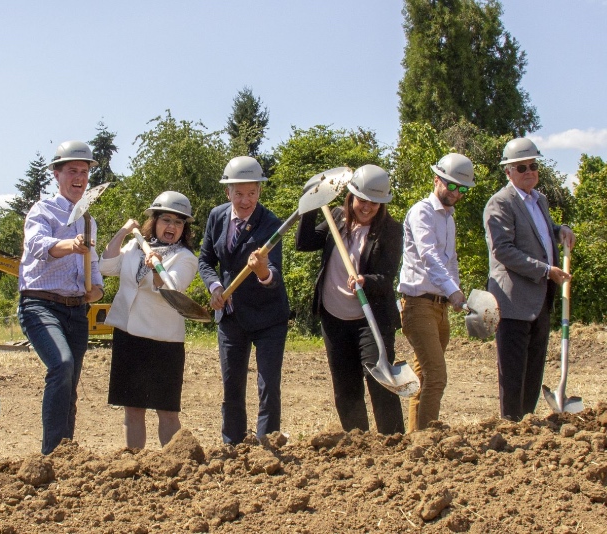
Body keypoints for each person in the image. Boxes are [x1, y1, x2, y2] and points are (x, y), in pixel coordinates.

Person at [296, 165, 405, 434]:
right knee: (346, 389)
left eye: (375, 203)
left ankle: (394, 440)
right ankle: (358, 441)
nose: (367, 207)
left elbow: (387, 276)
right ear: (350, 196)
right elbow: (304, 242)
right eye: (362, 200)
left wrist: (366, 280)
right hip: (334, 318)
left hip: (371, 320)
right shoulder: (335, 219)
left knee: (379, 380)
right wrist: (310, 204)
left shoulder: (391, 231)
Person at [17, 140, 105, 455]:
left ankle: (66, 454)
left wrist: (94, 291)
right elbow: (38, 246)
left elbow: (95, 280)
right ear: (57, 174)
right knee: (62, 364)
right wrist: (72, 245)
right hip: (40, 304)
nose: (79, 177)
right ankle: (51, 452)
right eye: (72, 171)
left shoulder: (88, 221)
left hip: (75, 312)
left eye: (84, 171)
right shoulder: (42, 210)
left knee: (70, 386)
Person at [198, 155, 290, 445]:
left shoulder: (271, 222)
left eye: (252, 193)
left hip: (268, 317)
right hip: (231, 315)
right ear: (228, 192)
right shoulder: (217, 217)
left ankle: (267, 444)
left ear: (260, 191)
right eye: (239, 193)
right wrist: (214, 287)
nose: (245, 200)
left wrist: (262, 270)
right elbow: (206, 260)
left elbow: (273, 275)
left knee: (268, 385)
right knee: (231, 385)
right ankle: (232, 444)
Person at [484, 138, 575, 421]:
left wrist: (561, 229)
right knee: (513, 373)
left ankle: (527, 423)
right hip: (512, 301)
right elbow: (503, 250)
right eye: (521, 167)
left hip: (540, 299)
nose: (529, 171)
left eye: (533, 165)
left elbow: (540, 231)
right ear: (508, 172)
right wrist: (546, 270)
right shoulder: (500, 203)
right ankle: (511, 427)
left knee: (534, 370)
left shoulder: (540, 200)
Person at [99, 191, 199, 448]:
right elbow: (107, 266)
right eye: (166, 220)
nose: (172, 227)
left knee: (166, 411)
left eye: (178, 223)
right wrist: (123, 231)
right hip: (128, 335)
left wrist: (157, 268)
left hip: (163, 341)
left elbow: (171, 290)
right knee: (133, 409)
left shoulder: (186, 258)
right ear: (154, 221)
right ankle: (135, 464)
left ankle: (174, 465)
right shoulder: (135, 245)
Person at [398, 153, 474, 432]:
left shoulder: (449, 219)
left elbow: (449, 260)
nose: (456, 193)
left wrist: (455, 295)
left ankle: (415, 437)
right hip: (418, 305)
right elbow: (429, 256)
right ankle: (427, 437)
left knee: (423, 376)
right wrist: (453, 291)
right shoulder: (422, 212)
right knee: (436, 375)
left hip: (440, 307)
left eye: (463, 189)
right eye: (452, 185)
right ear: (436, 179)